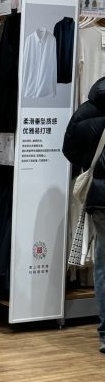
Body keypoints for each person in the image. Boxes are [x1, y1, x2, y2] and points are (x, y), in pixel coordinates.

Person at [63, 78, 105, 353]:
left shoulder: (87, 108)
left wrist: (91, 164)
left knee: (103, 265)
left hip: (100, 199)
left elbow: (69, 149)